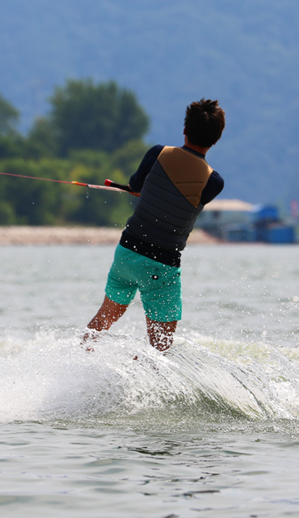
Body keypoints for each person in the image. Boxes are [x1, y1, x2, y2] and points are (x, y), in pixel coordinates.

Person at [84, 98, 226, 351]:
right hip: (161, 264)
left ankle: (78, 358)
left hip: (126, 253)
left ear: (185, 129)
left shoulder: (157, 153)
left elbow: (136, 186)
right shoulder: (213, 182)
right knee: (160, 346)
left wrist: (140, 189)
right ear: (217, 139)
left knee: (104, 318)